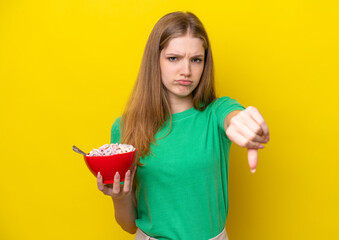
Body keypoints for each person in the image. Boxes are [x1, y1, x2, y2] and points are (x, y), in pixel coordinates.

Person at [97, 11, 270, 240]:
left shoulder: (216, 113)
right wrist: (119, 196)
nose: (186, 71)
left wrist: (243, 123)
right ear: (155, 60)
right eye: (174, 58)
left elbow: (232, 116)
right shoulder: (126, 127)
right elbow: (129, 225)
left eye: (196, 60)